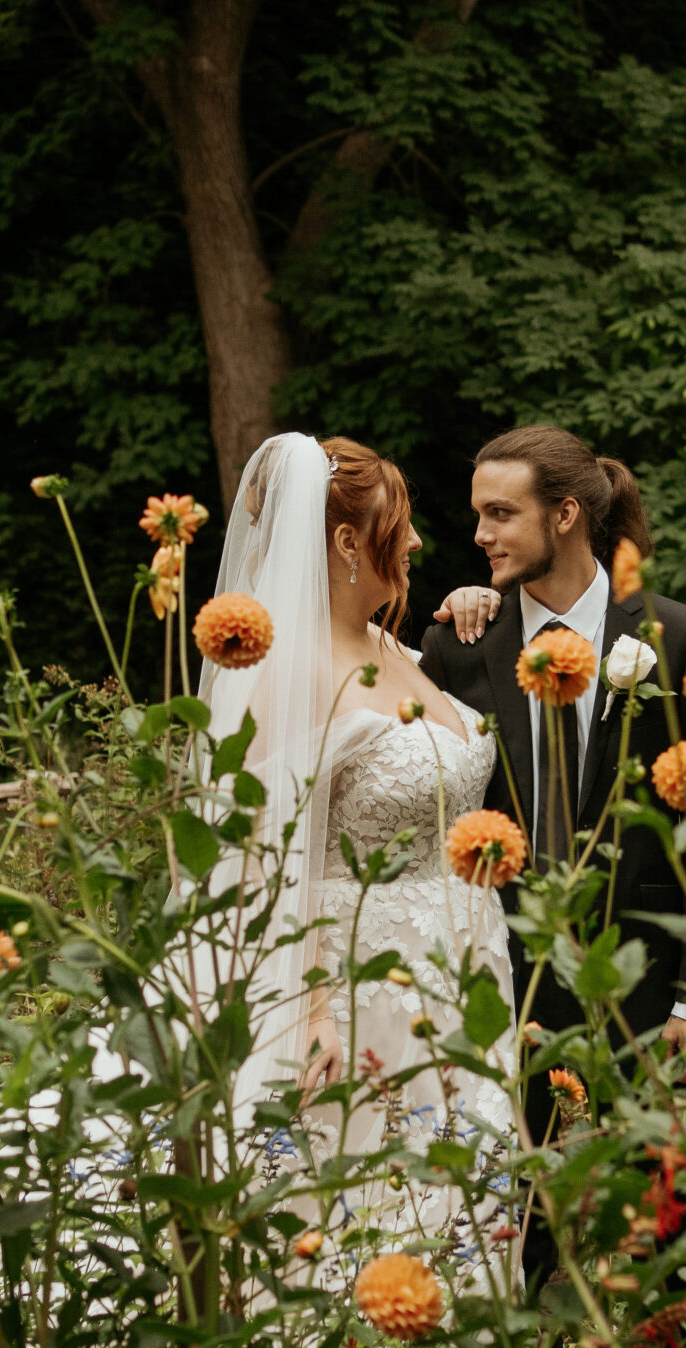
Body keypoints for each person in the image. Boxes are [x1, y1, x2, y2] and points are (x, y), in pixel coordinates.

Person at [195, 432, 516, 1230]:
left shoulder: (391, 646)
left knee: (456, 1193)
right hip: (358, 988)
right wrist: (305, 1016)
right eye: (397, 524)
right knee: (359, 1201)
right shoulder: (287, 675)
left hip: (460, 967)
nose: (412, 540)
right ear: (345, 540)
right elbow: (260, 855)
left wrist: (475, 603)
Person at [420, 424, 686, 1160]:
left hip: (645, 975)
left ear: (564, 515)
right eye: (478, 514)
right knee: (510, 1216)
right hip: (506, 979)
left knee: (663, 1207)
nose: (479, 533)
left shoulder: (677, 638)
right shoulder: (457, 647)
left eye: (500, 513)